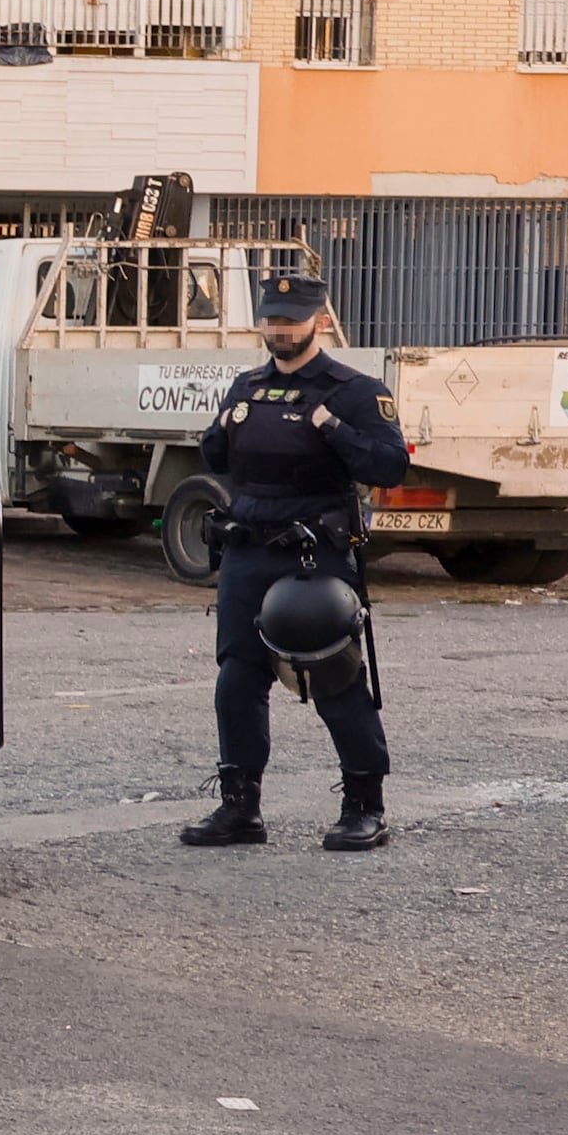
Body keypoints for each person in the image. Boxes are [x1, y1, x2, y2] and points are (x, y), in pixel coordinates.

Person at [180, 269, 409, 853]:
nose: (279, 330)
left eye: (291, 320)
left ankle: (364, 805)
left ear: (320, 321)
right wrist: (222, 426)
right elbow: (216, 455)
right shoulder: (248, 385)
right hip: (247, 549)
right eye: (271, 320)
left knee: (332, 676)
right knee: (237, 679)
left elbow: (389, 466)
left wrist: (332, 429)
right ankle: (240, 807)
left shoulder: (353, 390)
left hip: (315, 554)